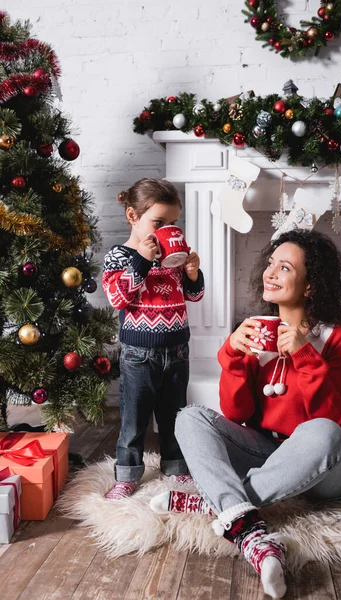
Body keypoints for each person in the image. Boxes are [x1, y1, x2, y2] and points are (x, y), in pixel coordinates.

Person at [150, 229, 341, 599]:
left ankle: (212, 501)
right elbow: (238, 412)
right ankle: (246, 527)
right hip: (267, 449)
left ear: (310, 286)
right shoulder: (256, 332)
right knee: (190, 417)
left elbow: (335, 418)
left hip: (327, 464)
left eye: (285, 267)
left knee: (324, 431)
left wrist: (303, 355)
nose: (270, 272)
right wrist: (233, 355)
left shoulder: (336, 337)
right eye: (269, 264)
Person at [102, 178, 204, 500]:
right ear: (133, 216)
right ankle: (127, 474)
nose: (167, 230)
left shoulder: (171, 257)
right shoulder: (119, 256)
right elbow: (118, 298)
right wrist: (143, 261)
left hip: (177, 350)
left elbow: (195, 296)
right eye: (158, 223)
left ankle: (175, 467)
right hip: (138, 354)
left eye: (173, 223)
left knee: (175, 415)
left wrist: (192, 275)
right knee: (134, 419)